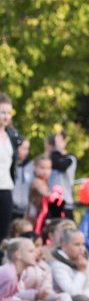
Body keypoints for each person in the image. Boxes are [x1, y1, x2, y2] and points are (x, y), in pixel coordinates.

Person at [0, 237, 55, 301]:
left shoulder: (20, 273)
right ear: (18, 254)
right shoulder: (8, 274)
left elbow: (6, 297)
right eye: (31, 251)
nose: (35, 254)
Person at [0, 93, 21, 237]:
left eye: (9, 113)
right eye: (2, 112)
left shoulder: (13, 135)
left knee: (3, 233)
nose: (6, 117)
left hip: (6, 187)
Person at [47, 132, 77, 220]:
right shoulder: (50, 158)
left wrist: (57, 149)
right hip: (52, 202)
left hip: (65, 201)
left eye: (59, 141)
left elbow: (59, 165)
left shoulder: (70, 158)